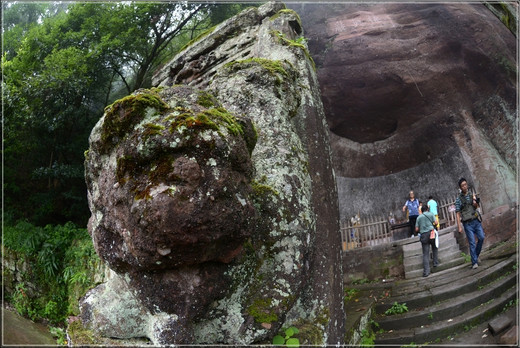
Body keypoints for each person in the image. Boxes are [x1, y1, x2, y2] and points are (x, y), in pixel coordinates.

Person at [455, 178, 485, 269]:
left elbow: (476, 206)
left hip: (475, 220)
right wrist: (459, 227)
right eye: (463, 185)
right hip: (467, 223)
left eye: (465, 184)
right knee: (472, 242)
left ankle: (475, 255)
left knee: (481, 237)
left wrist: (475, 202)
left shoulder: (472, 195)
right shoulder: (458, 199)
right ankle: (474, 262)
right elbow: (457, 213)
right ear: (460, 187)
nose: (465, 186)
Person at [415, 203, 439, 277]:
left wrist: (421, 229)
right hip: (431, 233)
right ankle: (435, 262)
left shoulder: (418, 218)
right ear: (427, 209)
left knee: (425, 253)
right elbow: (436, 222)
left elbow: (416, 229)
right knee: (434, 248)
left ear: (421, 211)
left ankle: (426, 271)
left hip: (424, 235)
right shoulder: (431, 214)